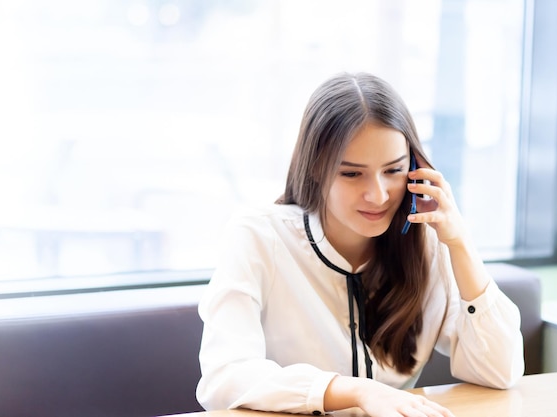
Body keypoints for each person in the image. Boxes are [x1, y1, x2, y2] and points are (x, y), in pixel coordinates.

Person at [196, 72, 524, 417]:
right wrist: (357, 391)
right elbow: (224, 378)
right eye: (352, 174)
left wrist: (459, 242)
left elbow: (498, 372)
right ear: (315, 170)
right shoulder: (259, 236)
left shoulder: (426, 242)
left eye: (394, 170)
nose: (378, 195)